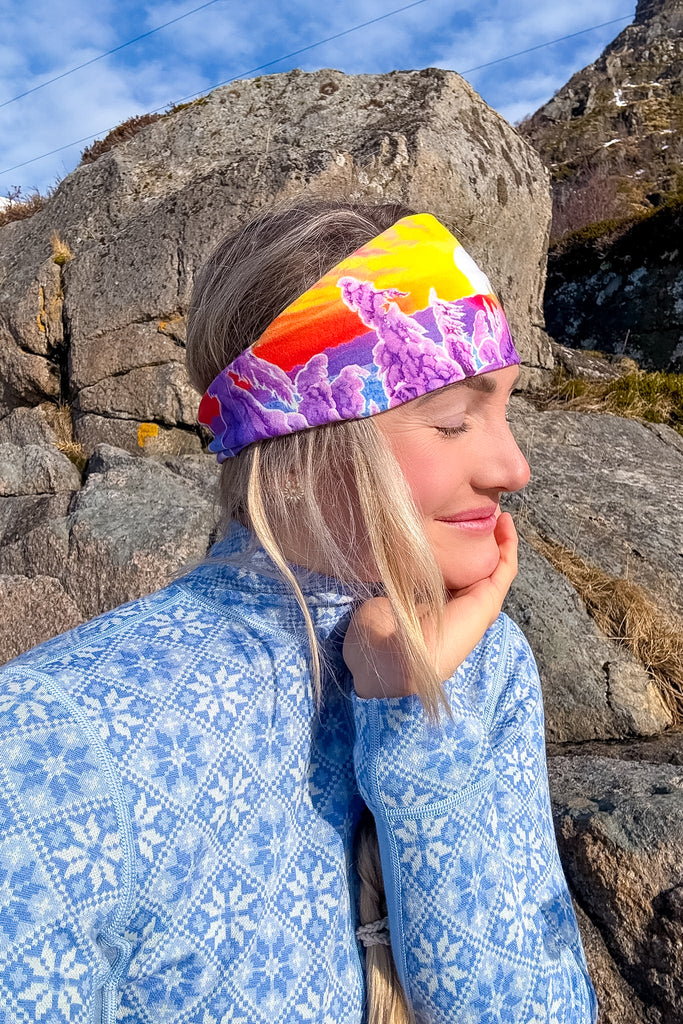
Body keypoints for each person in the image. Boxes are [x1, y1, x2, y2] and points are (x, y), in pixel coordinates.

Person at [0, 199, 598, 1024]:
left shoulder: (484, 660)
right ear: (292, 442)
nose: (513, 467)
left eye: (503, 411)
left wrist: (413, 717)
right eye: (455, 420)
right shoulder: (48, 742)